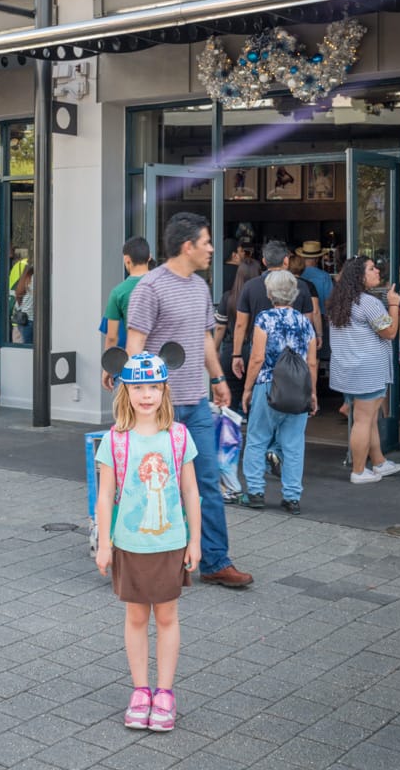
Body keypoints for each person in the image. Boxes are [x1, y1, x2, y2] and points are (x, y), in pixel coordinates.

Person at [126, 211, 253, 589]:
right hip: (158, 406)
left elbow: (202, 339)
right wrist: (134, 403)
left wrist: (217, 378)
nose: (213, 249)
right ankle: (159, 559)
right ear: (188, 246)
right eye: (207, 242)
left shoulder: (199, 287)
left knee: (206, 483)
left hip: (195, 402)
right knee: (156, 485)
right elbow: (134, 347)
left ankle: (215, 562)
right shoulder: (150, 287)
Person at [95, 350, 201, 732]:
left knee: (168, 616)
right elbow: (105, 496)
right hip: (129, 544)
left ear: (164, 390)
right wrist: (105, 544)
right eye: (138, 386)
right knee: (137, 616)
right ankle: (141, 691)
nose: (146, 395)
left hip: (171, 542)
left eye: (153, 386)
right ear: (125, 389)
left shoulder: (178, 436)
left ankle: (166, 693)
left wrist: (195, 541)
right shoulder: (116, 440)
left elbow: (191, 492)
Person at [241, 271, 317, 515]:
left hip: (268, 385)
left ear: (270, 292)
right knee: (294, 444)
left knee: (257, 438)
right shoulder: (305, 322)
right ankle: (292, 497)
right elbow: (312, 363)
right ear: (294, 293)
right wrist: (312, 393)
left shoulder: (265, 319)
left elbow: (257, 358)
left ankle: (255, 492)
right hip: (298, 390)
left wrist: (247, 388)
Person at [326, 256, 400, 484]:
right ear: (359, 276)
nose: (377, 271)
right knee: (363, 420)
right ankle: (359, 471)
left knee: (368, 419)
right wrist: (393, 304)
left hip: (348, 369)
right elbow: (389, 332)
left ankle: (379, 462)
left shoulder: (337, 302)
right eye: (372, 268)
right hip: (367, 371)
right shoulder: (368, 303)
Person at [231, 240, 314, 383]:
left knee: (263, 387)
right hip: (294, 350)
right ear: (286, 261)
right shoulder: (301, 285)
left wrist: (236, 355)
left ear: (264, 261)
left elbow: (240, 324)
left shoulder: (250, 286)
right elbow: (308, 320)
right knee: (294, 390)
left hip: (260, 348)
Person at [102, 236, 151, 390]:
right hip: (158, 365)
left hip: (130, 367)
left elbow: (112, 337)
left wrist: (107, 368)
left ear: (127, 259)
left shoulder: (119, 292)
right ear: (149, 258)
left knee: (127, 413)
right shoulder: (162, 286)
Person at [213, 258, 262, 414]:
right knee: (255, 394)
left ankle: (234, 432)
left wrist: (214, 349)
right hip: (257, 350)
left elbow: (220, 326)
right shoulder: (263, 297)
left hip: (231, 349)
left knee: (231, 397)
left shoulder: (228, 297)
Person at [11, 263, 34, 344]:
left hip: (23, 320)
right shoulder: (33, 279)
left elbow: (18, 304)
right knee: (30, 349)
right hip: (31, 320)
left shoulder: (24, 280)